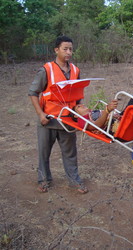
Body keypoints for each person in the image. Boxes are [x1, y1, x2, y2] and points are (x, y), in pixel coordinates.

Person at [28, 35, 88, 194]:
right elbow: (33, 93)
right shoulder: (46, 70)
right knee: (44, 153)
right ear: (56, 50)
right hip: (48, 120)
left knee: (70, 153)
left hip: (68, 121)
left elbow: (78, 94)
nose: (69, 52)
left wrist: (79, 113)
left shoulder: (76, 70)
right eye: (65, 49)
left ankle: (74, 181)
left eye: (71, 49)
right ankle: (44, 180)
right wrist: (41, 115)